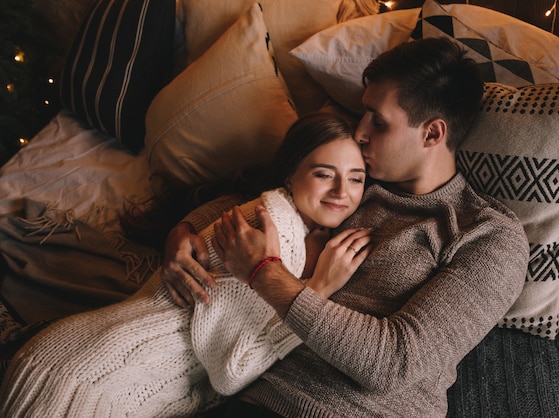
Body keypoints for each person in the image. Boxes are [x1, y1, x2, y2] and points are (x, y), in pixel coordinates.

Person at [161, 37, 530, 417]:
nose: (360, 132)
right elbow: (261, 198)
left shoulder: (487, 236)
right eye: (362, 114)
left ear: (432, 134)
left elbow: (393, 363)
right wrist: (184, 232)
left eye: (379, 122)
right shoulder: (352, 181)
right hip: (249, 393)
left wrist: (263, 272)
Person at [0, 112, 372, 417]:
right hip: (87, 382)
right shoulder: (275, 229)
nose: (343, 192)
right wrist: (319, 288)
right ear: (291, 173)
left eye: (356, 178)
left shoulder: (292, 222)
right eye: (324, 174)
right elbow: (233, 371)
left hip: (93, 371)